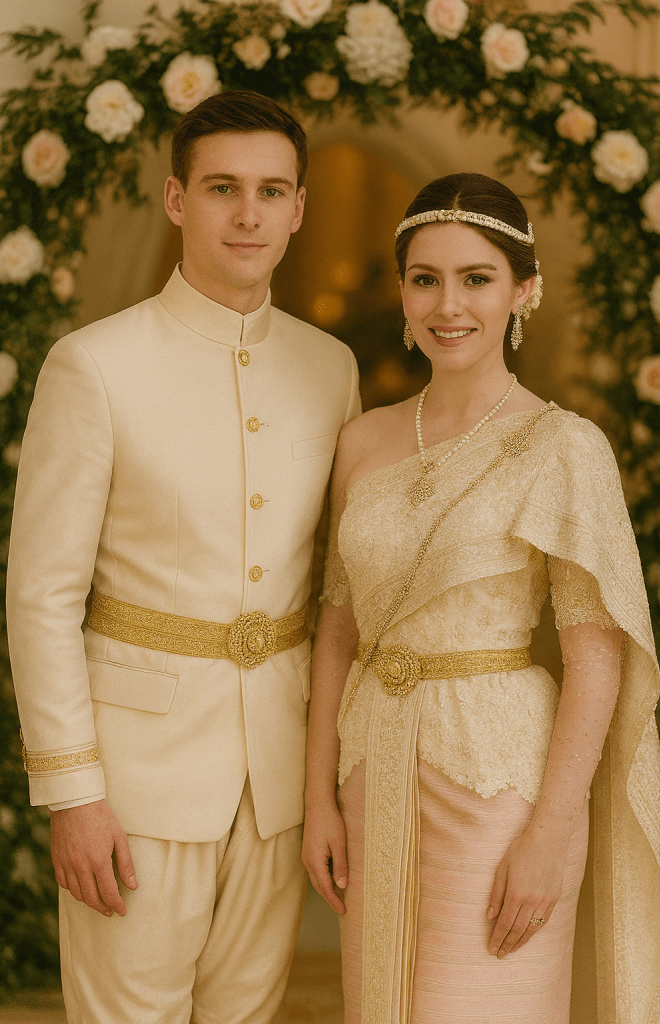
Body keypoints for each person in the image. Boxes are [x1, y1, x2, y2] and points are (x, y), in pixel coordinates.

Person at [7, 90, 361, 1023]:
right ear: (176, 201)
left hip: (276, 775)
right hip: (133, 781)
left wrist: (328, 776)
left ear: (296, 208)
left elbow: (337, 579)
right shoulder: (95, 365)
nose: (248, 213)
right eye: (221, 188)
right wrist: (74, 793)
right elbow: (41, 596)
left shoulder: (331, 369)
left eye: (271, 189)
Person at [302, 172, 660, 1024]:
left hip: (499, 781)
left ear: (522, 291)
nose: (448, 304)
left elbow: (595, 655)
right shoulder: (362, 441)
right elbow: (335, 628)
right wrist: (317, 798)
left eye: (476, 278)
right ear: (401, 291)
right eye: (425, 278)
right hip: (372, 767)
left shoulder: (562, 447)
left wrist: (552, 832)